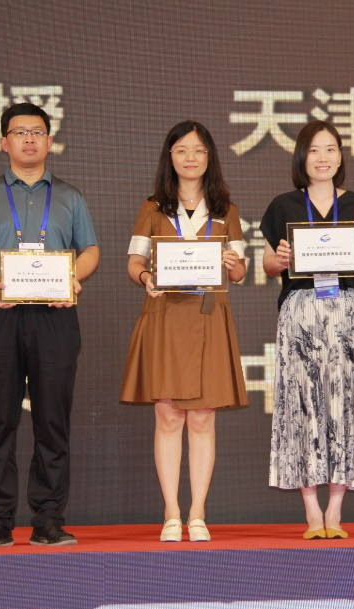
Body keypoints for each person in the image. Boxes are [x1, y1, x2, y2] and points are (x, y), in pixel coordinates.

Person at [0, 102, 100, 547]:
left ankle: (48, 519)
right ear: (4, 142)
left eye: (37, 132)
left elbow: (90, 250)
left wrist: (72, 278)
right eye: (20, 132)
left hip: (55, 316)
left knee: (52, 421)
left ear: (50, 141)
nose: (29, 139)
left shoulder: (71, 197)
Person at [120, 120, 248, 543]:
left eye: (198, 151)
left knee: (203, 418)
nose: (190, 158)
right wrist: (146, 279)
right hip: (166, 316)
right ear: (169, 157)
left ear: (210, 157)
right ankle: (171, 514)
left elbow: (240, 272)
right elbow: (135, 263)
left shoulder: (226, 209)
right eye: (181, 150)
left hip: (209, 316)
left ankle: (198, 514)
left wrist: (234, 264)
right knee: (169, 415)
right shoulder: (153, 206)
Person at [261, 120, 354, 540]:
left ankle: (336, 510)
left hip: (347, 313)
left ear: (341, 155)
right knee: (302, 405)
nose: (323, 157)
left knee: (347, 403)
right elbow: (268, 265)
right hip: (301, 313)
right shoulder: (283, 206)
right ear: (302, 157)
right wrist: (279, 258)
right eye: (314, 150)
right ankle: (311, 510)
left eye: (331, 149)